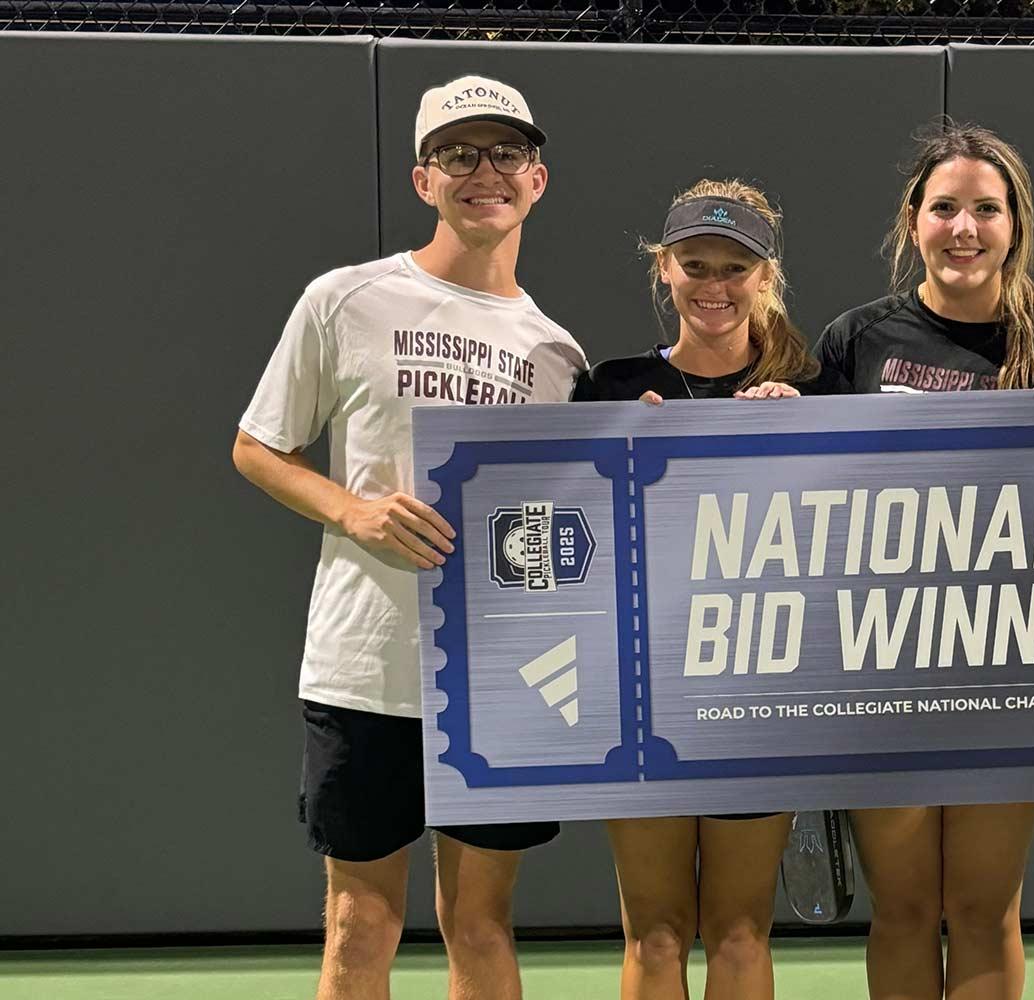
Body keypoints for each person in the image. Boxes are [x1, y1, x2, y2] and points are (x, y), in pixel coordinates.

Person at [232, 74, 586, 1000]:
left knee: (481, 926)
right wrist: (351, 509)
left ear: (536, 179)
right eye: (459, 154)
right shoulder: (346, 300)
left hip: (500, 679)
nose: (485, 173)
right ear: (425, 177)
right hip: (365, 665)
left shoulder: (560, 355)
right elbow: (257, 447)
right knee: (360, 925)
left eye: (506, 153)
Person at [816, 123, 1034, 1000]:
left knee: (984, 909)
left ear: (1015, 225)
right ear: (914, 221)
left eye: (987, 208)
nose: (965, 228)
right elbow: (801, 491)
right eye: (945, 208)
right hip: (881, 666)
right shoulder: (856, 340)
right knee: (904, 908)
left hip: (1005, 669)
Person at [574, 179, 840, 1000]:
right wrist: (619, 450)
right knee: (653, 933)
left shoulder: (813, 396)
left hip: (758, 698)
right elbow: (566, 547)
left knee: (739, 929)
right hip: (642, 702)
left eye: (734, 267)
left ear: (766, 276)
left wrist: (796, 436)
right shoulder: (609, 390)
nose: (714, 285)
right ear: (664, 270)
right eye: (695, 264)